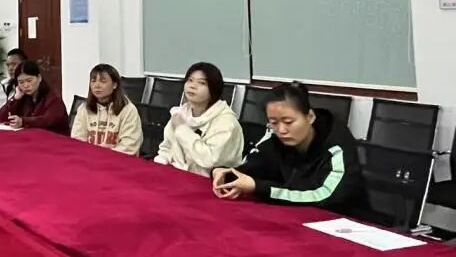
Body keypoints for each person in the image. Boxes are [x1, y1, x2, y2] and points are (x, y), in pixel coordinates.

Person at [212, 82, 364, 214]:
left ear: (310, 117)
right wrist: (223, 173)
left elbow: (325, 195)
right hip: (295, 216)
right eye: (274, 122)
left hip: (344, 219)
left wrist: (259, 187)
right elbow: (252, 168)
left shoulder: (336, 144)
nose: (281, 130)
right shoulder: (276, 139)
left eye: (288, 122)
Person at [154, 62, 243, 176]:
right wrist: (162, 161)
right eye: (190, 80)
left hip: (210, 181)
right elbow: (166, 148)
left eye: (202, 83)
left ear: (214, 89)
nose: (192, 86)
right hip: (177, 175)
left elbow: (209, 160)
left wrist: (182, 130)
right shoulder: (180, 114)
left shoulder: (226, 122)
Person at [71, 63, 142, 155]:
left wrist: (103, 157)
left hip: (118, 160)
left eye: (103, 81)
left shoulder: (128, 110)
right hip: (89, 158)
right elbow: (77, 140)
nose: (97, 85)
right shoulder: (84, 108)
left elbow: (129, 146)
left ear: (114, 85)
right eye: (93, 81)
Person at [0, 60, 68, 134]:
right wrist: (15, 98)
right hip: (30, 136)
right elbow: (3, 117)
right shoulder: (22, 97)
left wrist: (23, 121)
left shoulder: (54, 98)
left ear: (39, 78)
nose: (26, 85)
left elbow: (47, 120)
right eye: (21, 82)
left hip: (54, 138)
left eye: (29, 80)